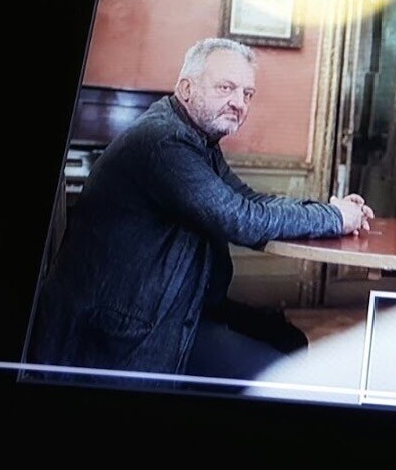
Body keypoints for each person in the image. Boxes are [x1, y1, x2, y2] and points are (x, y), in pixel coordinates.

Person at [32, 37, 374, 382]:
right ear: (186, 88)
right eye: (226, 88)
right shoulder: (165, 142)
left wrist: (329, 210)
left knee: (290, 339)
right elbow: (240, 219)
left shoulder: (197, 140)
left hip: (172, 302)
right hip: (124, 326)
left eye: (247, 93)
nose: (239, 102)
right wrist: (335, 218)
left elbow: (248, 200)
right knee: (279, 370)